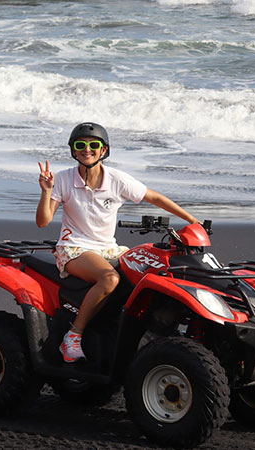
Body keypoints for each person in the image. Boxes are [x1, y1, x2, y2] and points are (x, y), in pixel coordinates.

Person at [35, 122, 198, 363]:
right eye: (81, 145)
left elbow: (154, 197)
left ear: (104, 150)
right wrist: (46, 191)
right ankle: (73, 336)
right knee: (109, 278)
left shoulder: (116, 180)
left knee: (152, 273)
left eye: (94, 145)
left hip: (108, 248)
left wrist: (193, 221)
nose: (87, 149)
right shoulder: (63, 179)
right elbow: (43, 221)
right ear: (73, 150)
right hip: (74, 248)